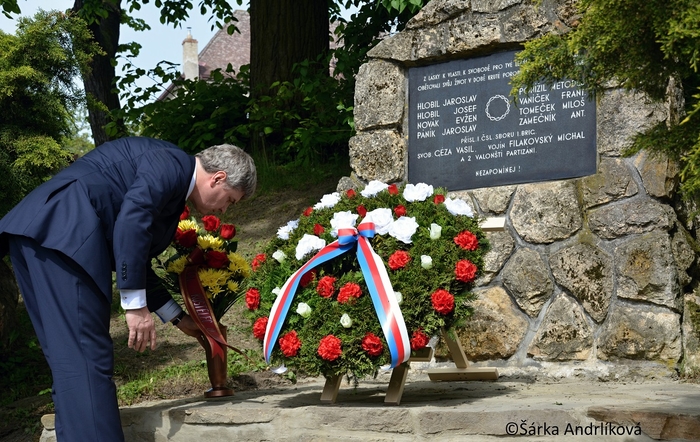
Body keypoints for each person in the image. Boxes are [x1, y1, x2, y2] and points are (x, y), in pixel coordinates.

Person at [0, 136, 257, 441]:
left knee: (70, 361)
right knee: (86, 360)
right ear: (218, 178)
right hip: (64, 234)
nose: (225, 210)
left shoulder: (171, 178)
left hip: (39, 236)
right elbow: (132, 222)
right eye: (230, 200)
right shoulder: (171, 164)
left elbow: (136, 252)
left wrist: (177, 317)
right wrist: (135, 306)